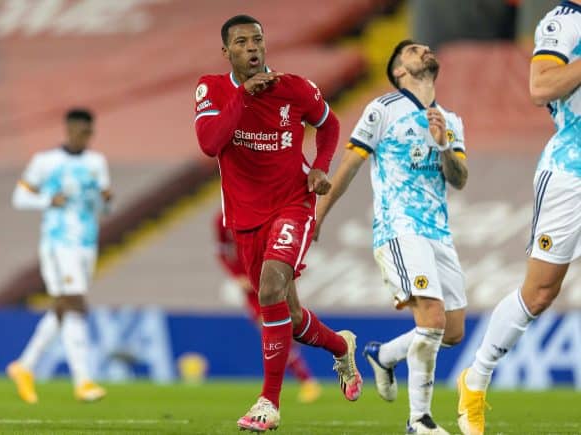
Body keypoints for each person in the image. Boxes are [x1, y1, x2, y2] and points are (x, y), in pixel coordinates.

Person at [195, 14, 362, 432]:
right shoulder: (212, 89)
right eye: (241, 43)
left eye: (257, 40)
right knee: (288, 313)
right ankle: (341, 347)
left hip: (293, 202)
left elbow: (329, 124)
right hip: (245, 218)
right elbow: (210, 143)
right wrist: (244, 97)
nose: (252, 48)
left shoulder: (295, 88)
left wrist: (320, 168)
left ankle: (268, 402)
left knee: (270, 285)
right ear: (226, 52)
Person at [315, 40, 469, 434]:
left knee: (451, 332)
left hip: (439, 233)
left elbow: (460, 179)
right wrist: (318, 215)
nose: (426, 50)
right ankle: (419, 420)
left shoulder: (450, 119)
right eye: (415, 50)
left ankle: (383, 356)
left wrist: (444, 144)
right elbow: (349, 166)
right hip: (400, 227)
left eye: (427, 48)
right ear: (399, 71)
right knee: (432, 320)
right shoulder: (382, 110)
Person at [457, 2, 581, 434]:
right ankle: (476, 378)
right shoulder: (563, 21)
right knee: (540, 291)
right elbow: (540, 86)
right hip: (571, 172)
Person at [7, 108, 112, 404]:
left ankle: (24, 365)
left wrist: (107, 202)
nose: (83, 136)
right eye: (78, 130)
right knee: (75, 301)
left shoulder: (97, 163)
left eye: (87, 132)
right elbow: (19, 197)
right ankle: (83, 380)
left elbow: (102, 207)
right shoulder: (46, 162)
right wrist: (46, 199)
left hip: (87, 243)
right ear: (67, 129)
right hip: (58, 242)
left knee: (64, 305)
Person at [213, 211, 322, 404]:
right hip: (250, 285)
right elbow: (221, 252)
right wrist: (236, 275)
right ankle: (305, 382)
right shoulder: (221, 219)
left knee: (288, 327)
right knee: (272, 329)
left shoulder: (263, 206)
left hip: (271, 275)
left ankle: (305, 379)